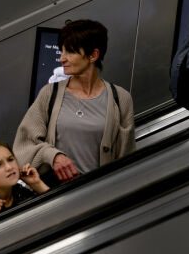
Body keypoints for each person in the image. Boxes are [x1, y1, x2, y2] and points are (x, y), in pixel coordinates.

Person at [13, 19, 135, 184]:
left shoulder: (120, 99)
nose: (62, 58)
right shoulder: (50, 93)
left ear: (93, 55)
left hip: (98, 196)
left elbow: (126, 161)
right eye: (61, 51)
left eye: (70, 52)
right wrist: (53, 156)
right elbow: (23, 145)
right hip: (55, 196)